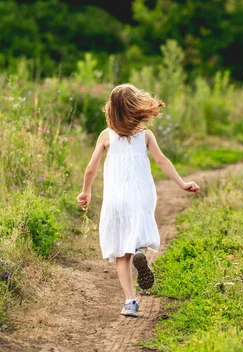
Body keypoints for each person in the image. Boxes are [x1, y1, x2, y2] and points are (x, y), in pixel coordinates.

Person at [77, 84, 200, 317]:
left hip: (116, 198)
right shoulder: (145, 135)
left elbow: (90, 169)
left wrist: (86, 192)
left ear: (111, 110)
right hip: (141, 195)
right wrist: (182, 183)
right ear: (136, 108)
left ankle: (130, 302)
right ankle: (138, 250)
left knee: (120, 255)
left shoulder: (106, 136)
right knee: (134, 236)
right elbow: (162, 161)